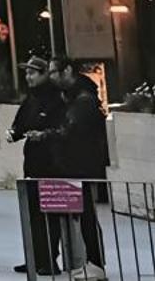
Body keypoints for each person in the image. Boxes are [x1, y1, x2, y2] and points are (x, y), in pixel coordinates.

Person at [10, 56, 68, 274]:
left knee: (50, 212)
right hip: (33, 161)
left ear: (45, 74)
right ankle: (35, 258)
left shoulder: (56, 98)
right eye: (27, 73)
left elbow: (61, 129)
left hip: (52, 162)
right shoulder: (31, 99)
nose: (29, 77)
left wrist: (42, 135)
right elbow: (20, 124)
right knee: (33, 211)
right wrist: (14, 133)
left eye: (33, 73)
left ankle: (50, 259)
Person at [55, 59, 109, 280]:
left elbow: (73, 130)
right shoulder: (76, 97)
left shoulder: (82, 100)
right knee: (83, 215)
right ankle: (92, 262)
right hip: (78, 164)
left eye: (53, 72)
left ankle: (95, 262)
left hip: (83, 165)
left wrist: (55, 134)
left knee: (87, 215)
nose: (51, 77)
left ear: (66, 71)